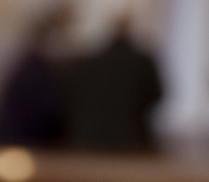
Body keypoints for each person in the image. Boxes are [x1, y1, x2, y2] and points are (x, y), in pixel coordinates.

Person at [63, 15, 164, 153]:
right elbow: (156, 94)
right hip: (131, 139)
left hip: (90, 138)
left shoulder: (90, 63)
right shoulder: (142, 63)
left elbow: (71, 96)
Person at [0, 2, 72, 146]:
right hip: (16, 140)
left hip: (14, 138)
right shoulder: (34, 70)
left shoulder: (31, 66)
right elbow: (44, 112)